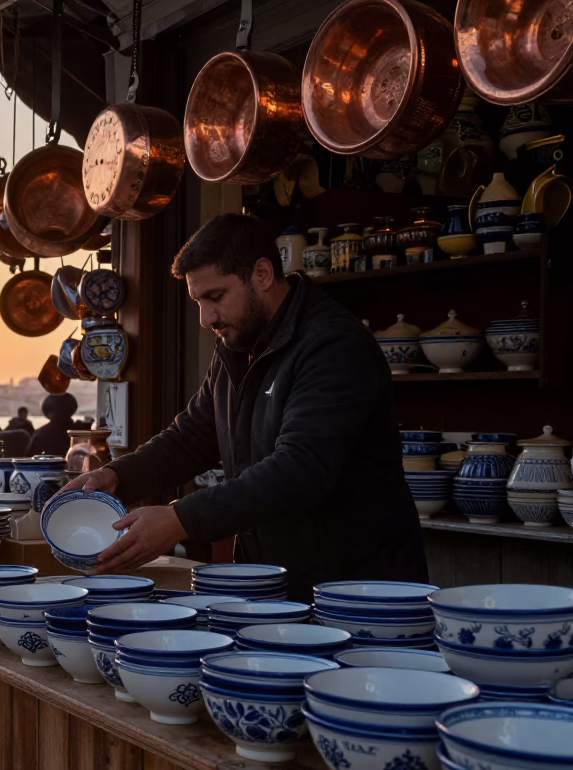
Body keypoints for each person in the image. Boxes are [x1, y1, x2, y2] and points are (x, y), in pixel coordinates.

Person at [60, 213, 427, 600]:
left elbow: (300, 469)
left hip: (359, 593)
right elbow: (193, 437)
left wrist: (180, 520)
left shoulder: (333, 346)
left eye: (215, 297)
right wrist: (118, 478)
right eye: (198, 302)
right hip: (275, 586)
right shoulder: (236, 345)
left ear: (263, 274)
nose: (206, 319)